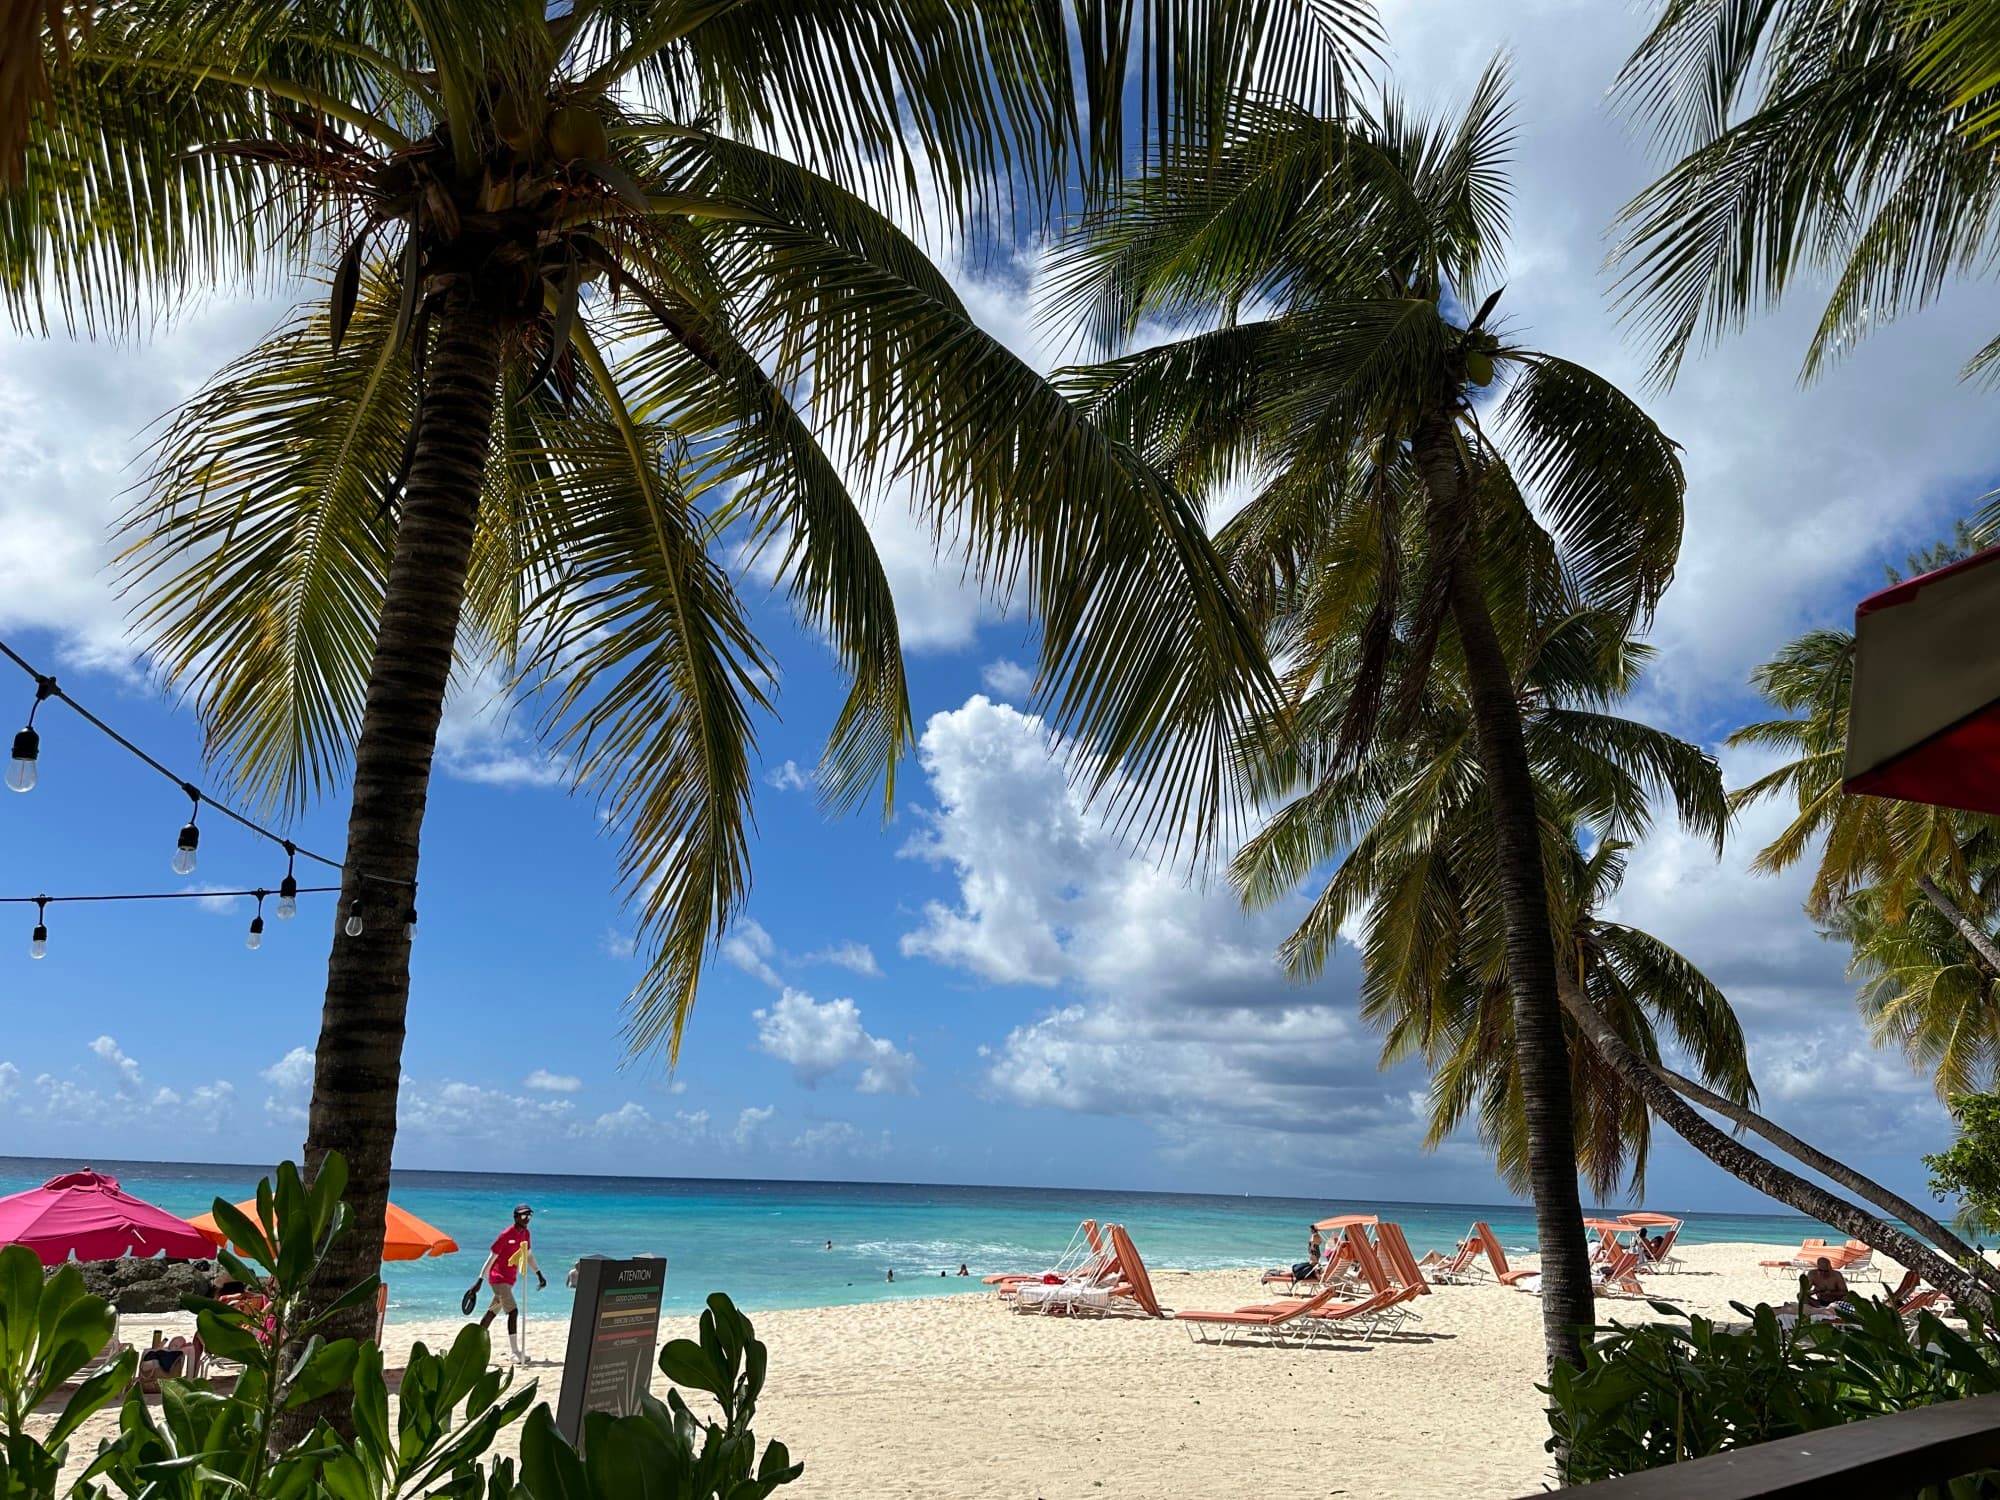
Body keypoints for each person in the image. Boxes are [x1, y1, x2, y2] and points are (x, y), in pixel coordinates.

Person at [468, 1203, 546, 1365]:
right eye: (524, 1216)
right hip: (498, 1278)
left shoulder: (526, 1234)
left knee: (492, 1312)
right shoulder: (505, 1235)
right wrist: (479, 1281)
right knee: (513, 1312)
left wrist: (539, 1274)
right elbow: (491, 1259)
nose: (527, 1219)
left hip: (510, 1280)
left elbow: (528, 1256)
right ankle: (515, 1352)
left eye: (529, 1216)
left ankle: (473, 1346)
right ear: (516, 1217)